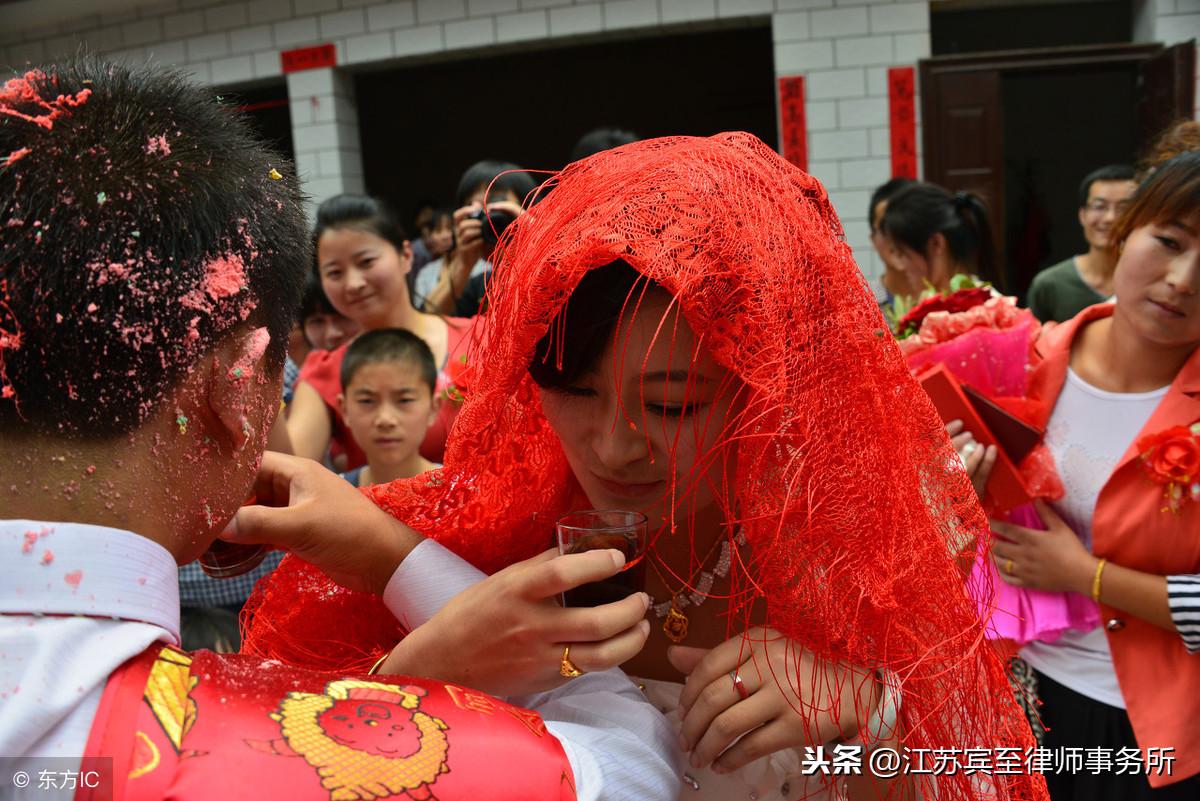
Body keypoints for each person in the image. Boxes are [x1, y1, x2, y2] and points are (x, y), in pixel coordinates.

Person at [246, 133, 1046, 801]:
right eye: (575, 391)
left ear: (767, 387)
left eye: (671, 405)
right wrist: (422, 666)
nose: (615, 446)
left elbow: (999, 761)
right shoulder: (490, 526)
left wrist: (873, 715)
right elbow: (266, 756)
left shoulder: (870, 552)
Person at [0, 57, 679, 801]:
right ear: (236, 384)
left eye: (674, 401)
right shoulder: (265, 758)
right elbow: (632, 763)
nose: (614, 442)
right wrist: (404, 579)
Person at [967, 152, 1200, 798]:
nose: (1182, 279)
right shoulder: (1023, 357)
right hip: (1018, 692)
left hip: (1154, 731)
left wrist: (1084, 575)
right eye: (1170, 241)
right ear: (1124, 231)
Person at [286, 194, 471, 469]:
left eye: (366, 262)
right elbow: (290, 472)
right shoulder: (325, 372)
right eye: (335, 272)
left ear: (406, 255)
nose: (353, 283)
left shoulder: (481, 336)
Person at [414, 161, 537, 316]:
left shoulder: (557, 268)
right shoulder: (479, 286)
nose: (489, 218)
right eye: (478, 211)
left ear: (530, 209)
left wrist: (536, 240)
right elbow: (426, 329)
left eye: (496, 205)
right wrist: (463, 265)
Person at [1026, 165, 1137, 323]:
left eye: (1123, 208)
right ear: (1083, 215)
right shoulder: (1050, 285)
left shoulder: (1150, 283)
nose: (1110, 218)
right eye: (1099, 207)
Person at [337, 329, 440, 487]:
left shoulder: (465, 493)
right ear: (344, 410)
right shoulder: (332, 496)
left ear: (433, 408)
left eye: (405, 400)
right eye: (366, 401)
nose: (385, 419)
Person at [880, 181, 997, 299]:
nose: (899, 265)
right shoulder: (930, 303)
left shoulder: (990, 310)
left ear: (936, 244)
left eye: (902, 253)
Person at [867, 177, 917, 301]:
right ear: (873, 240)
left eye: (907, 224)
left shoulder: (957, 298)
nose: (897, 237)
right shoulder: (859, 306)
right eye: (885, 227)